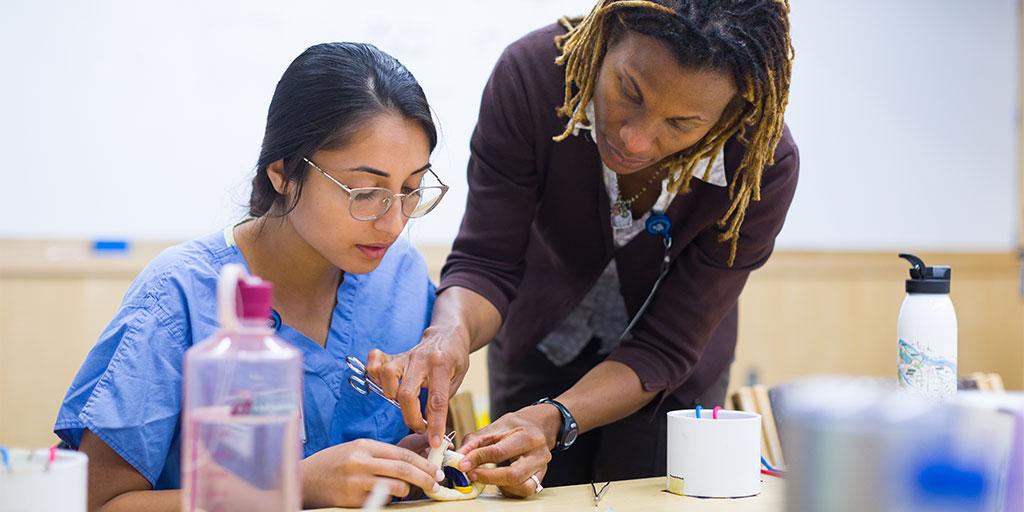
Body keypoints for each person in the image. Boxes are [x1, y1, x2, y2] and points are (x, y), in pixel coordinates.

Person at [367, 0, 799, 494]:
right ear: (609, 33)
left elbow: (665, 345)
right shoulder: (531, 79)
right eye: (628, 91)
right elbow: (487, 261)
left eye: (681, 124)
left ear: (734, 106)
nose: (634, 140)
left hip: (667, 384)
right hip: (539, 349)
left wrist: (557, 418)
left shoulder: (761, 165)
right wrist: (449, 334)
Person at [55, 42, 451, 510]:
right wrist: (292, 484)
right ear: (283, 173)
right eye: (365, 192)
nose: (393, 222)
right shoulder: (181, 294)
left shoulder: (400, 279)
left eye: (410, 190)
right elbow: (98, 503)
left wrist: (407, 465)